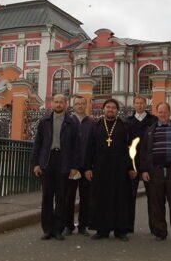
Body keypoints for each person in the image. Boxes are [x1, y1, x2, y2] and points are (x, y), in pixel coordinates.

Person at [85, 99, 137, 241]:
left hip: (120, 169)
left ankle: (121, 230)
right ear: (103, 109)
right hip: (100, 169)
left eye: (113, 107)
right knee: (101, 199)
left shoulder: (125, 126)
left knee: (120, 199)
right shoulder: (96, 126)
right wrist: (88, 167)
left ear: (117, 110)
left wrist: (132, 167)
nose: (110, 110)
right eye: (108, 107)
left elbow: (132, 148)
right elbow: (90, 148)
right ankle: (102, 230)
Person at [31, 94, 79, 240]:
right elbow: (38, 144)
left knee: (61, 197)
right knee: (46, 196)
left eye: (61, 102)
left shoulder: (71, 122)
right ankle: (47, 229)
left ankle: (58, 229)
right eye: (56, 102)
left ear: (65, 104)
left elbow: (76, 147)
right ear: (52, 104)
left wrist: (74, 166)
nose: (58, 104)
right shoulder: (44, 121)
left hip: (64, 162)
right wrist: (36, 164)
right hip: (47, 161)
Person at [140, 102, 171, 242]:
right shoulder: (150, 131)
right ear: (157, 113)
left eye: (165, 112)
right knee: (157, 204)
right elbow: (143, 153)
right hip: (156, 171)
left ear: (169, 113)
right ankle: (160, 232)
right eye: (160, 112)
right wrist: (144, 170)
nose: (163, 114)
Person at [125, 95, 157, 233]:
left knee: (153, 197)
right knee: (129, 196)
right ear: (133, 105)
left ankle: (155, 227)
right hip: (133, 162)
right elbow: (125, 144)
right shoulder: (127, 121)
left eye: (142, 103)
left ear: (146, 104)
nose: (139, 105)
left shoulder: (153, 120)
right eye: (137, 103)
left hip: (150, 162)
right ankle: (128, 226)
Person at [63, 95, 95, 236]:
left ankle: (83, 225)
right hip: (71, 167)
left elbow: (94, 146)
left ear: (86, 105)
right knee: (68, 197)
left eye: (83, 104)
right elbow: (65, 145)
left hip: (86, 166)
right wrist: (69, 165)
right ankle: (68, 225)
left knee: (86, 197)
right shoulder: (68, 122)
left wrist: (91, 166)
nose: (80, 106)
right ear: (73, 106)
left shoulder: (92, 123)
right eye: (77, 104)